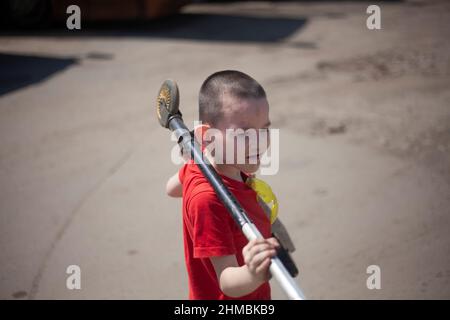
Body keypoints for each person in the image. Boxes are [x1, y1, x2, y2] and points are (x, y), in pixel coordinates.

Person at [165, 70, 279, 300]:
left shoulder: (208, 164)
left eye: (264, 129)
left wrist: (193, 158)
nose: (259, 142)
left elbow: (171, 188)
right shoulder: (208, 200)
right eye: (244, 133)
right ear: (209, 136)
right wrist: (252, 273)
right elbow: (226, 280)